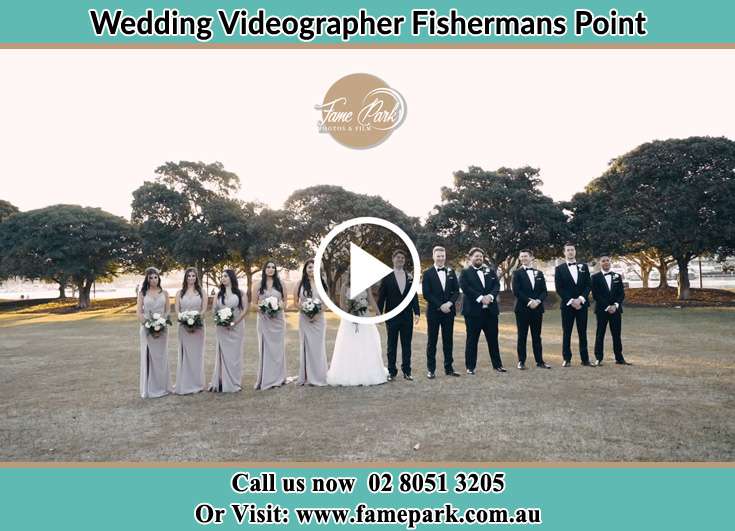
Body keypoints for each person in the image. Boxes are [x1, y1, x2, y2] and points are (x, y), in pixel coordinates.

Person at [327, 271, 388, 386]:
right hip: (349, 319)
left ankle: (368, 372)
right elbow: (342, 304)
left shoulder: (366, 285)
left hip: (364, 316)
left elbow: (371, 300)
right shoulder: (345, 286)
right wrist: (349, 315)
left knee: (366, 343)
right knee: (350, 344)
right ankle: (349, 372)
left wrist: (379, 314)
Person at [459, 247, 506, 374]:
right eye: (476, 256)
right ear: (470, 258)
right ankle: (470, 367)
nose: (479, 258)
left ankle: (497, 365)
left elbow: (497, 285)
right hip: (473, 313)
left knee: (493, 340)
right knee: (472, 340)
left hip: (490, 312)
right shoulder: (465, 273)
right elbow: (465, 288)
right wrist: (480, 298)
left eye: (480, 256)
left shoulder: (490, 271)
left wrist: (490, 297)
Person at [377, 249, 420, 381]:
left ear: (404, 260)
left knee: (407, 345)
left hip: (407, 316)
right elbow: (381, 297)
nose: (400, 259)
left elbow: (414, 295)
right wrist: (379, 315)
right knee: (392, 345)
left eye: (402, 258)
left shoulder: (410, 277)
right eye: (398, 257)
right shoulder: (387, 276)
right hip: (392, 316)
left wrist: (417, 312)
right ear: (393, 259)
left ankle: (407, 371)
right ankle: (392, 371)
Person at [421, 246, 461, 379]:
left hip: (449, 312)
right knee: (432, 341)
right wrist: (440, 305)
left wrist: (449, 304)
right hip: (433, 312)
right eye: (438, 256)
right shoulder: (427, 273)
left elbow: (456, 291)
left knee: (448, 341)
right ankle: (431, 370)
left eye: (442, 256)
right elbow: (426, 294)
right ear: (433, 256)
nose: (441, 258)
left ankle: (449, 368)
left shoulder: (451, 271)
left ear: (445, 256)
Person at [554, 242, 592, 367]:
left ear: (575, 252)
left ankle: (585, 359)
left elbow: (588, 285)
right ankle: (567, 359)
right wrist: (571, 301)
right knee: (567, 332)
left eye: (572, 250)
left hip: (582, 305)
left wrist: (580, 299)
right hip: (567, 306)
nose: (570, 252)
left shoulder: (584, 267)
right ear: (564, 253)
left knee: (582, 332)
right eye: (568, 250)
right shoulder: (559, 269)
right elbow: (559, 288)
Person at [512, 249, 551, 370]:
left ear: (531, 258)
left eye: (526, 256)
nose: (523, 258)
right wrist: (529, 302)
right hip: (522, 309)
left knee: (537, 336)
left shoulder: (539, 273)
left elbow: (544, 291)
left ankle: (540, 361)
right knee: (522, 336)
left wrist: (538, 301)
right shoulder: (516, 273)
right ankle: (521, 361)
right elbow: (516, 291)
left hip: (537, 309)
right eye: (521, 256)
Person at [209, 269, 247, 392]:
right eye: (222, 277)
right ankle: (222, 381)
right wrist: (220, 320)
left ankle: (235, 382)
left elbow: (245, 309)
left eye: (225, 276)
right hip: (222, 329)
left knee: (235, 355)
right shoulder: (218, 295)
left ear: (231, 277)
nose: (223, 278)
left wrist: (235, 322)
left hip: (237, 327)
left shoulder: (240, 293)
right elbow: (214, 310)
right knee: (224, 354)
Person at [137, 267, 172, 398]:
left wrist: (162, 322)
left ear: (159, 278)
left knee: (161, 358)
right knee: (149, 357)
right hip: (147, 329)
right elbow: (139, 312)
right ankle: (150, 389)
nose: (153, 280)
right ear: (147, 279)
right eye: (150, 277)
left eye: (155, 277)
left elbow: (168, 310)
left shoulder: (165, 293)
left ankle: (163, 386)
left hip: (162, 329)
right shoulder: (142, 293)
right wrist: (148, 325)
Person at [591, 254, 632, 366]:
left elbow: (621, 294)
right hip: (601, 310)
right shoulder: (595, 277)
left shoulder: (617, 276)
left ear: (610, 262)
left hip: (616, 310)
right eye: (603, 261)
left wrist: (615, 305)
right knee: (600, 334)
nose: (606, 262)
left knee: (616, 334)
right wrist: (607, 306)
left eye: (607, 260)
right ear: (600, 263)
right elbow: (596, 295)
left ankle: (619, 358)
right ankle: (598, 358)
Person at [254, 260, 287, 390]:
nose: (271, 269)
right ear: (264, 269)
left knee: (277, 350)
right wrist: (264, 309)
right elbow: (253, 304)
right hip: (264, 320)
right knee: (265, 349)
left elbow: (285, 302)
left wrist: (278, 307)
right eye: (268, 267)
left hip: (278, 321)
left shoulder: (281, 284)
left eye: (273, 267)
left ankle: (278, 378)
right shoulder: (258, 285)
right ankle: (266, 378)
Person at [295, 259, 328, 386]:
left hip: (319, 320)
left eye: (314, 267)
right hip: (305, 319)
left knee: (318, 348)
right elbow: (296, 302)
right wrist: (306, 311)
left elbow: (326, 303)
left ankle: (319, 375)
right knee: (306, 346)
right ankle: (307, 376)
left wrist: (317, 314)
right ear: (305, 269)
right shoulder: (300, 283)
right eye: (309, 267)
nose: (311, 270)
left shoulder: (322, 283)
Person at [174, 267, 207, 394]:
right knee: (185, 354)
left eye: (193, 276)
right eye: (189, 276)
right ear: (185, 278)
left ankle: (197, 383)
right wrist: (184, 319)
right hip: (183, 328)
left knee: (197, 355)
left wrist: (196, 319)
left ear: (196, 278)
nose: (191, 278)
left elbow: (204, 309)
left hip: (198, 327)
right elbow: (177, 310)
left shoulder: (201, 292)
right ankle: (185, 383)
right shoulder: (179, 293)